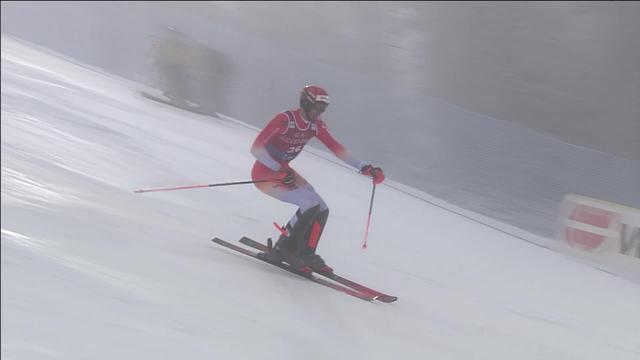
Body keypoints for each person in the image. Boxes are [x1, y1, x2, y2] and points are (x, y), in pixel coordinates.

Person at [250, 85, 384, 273]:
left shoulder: (315, 125)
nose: (320, 113)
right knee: (308, 203)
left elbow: (336, 148)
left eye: (323, 110)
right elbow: (256, 149)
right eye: (318, 109)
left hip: (284, 173)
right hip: (263, 174)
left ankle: (306, 253)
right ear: (306, 104)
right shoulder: (285, 119)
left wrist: (365, 167)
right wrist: (279, 170)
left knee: (321, 207)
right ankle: (283, 249)